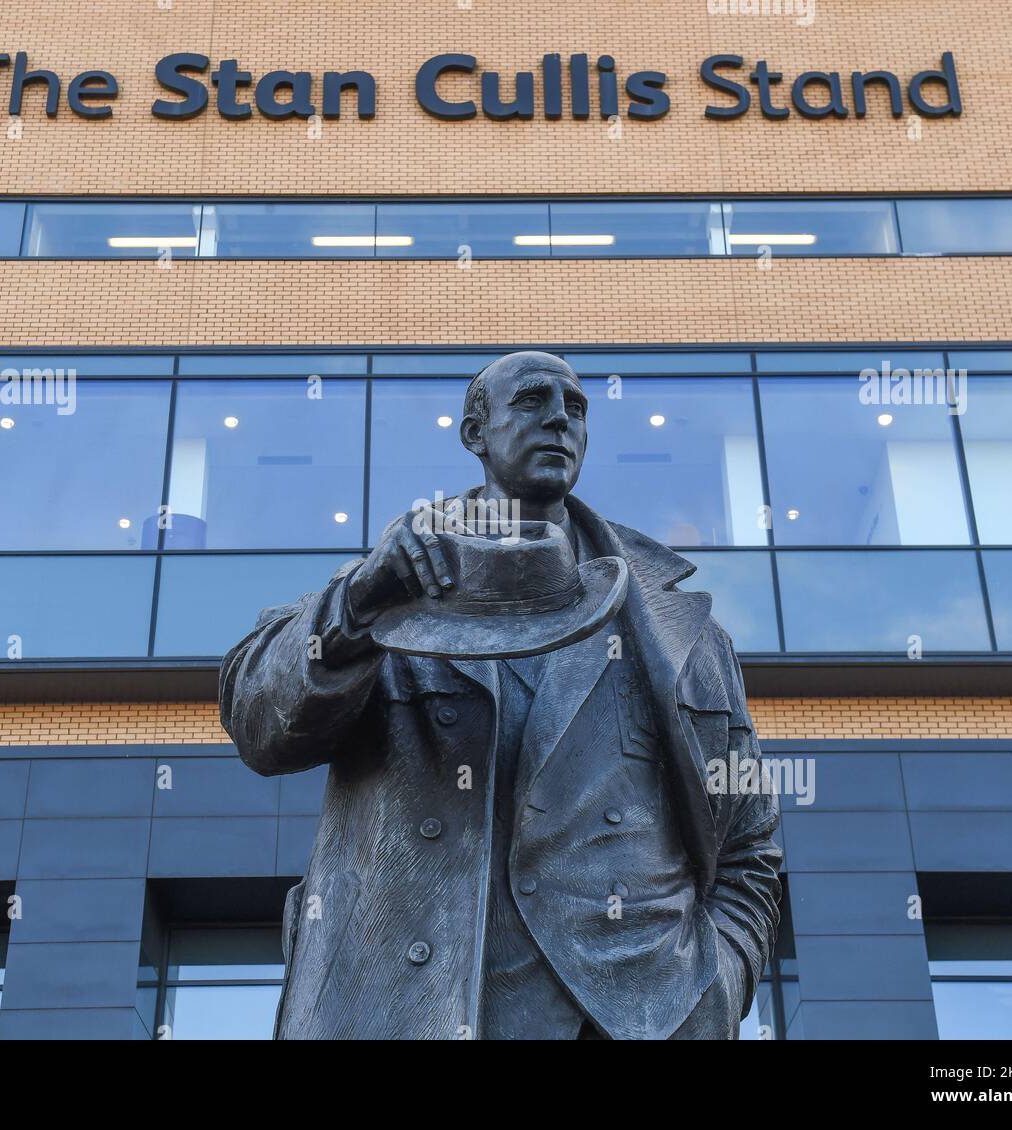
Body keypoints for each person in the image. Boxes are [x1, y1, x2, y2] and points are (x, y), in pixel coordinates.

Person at [219, 351, 781, 1039]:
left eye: (576, 408)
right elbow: (257, 722)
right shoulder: (386, 593)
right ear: (474, 434)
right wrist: (358, 607)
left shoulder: (676, 628)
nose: (559, 419)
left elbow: (751, 846)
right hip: (423, 1007)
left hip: (641, 1014)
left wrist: (719, 981)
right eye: (533, 401)